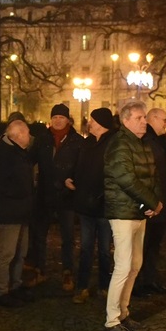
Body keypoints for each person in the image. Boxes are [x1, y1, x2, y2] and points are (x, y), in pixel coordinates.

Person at [102, 101, 162, 331]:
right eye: (139, 117)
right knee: (123, 266)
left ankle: (124, 313)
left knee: (135, 264)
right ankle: (112, 320)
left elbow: (152, 175)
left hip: (138, 212)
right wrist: (152, 202)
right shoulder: (119, 144)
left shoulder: (141, 143)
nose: (144, 121)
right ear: (125, 120)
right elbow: (126, 179)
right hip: (123, 213)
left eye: (144, 117)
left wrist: (154, 201)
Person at [27, 104, 82, 291]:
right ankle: (39, 269)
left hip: (67, 195)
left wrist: (72, 180)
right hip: (45, 193)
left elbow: (80, 166)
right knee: (40, 234)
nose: (58, 120)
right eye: (55, 117)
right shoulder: (43, 139)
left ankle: (67, 272)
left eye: (61, 117)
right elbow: (30, 160)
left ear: (68, 119)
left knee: (67, 236)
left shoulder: (76, 141)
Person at [71, 107, 117, 303]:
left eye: (93, 120)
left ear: (102, 123)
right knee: (86, 248)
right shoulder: (87, 143)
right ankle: (82, 286)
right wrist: (71, 178)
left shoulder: (113, 144)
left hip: (104, 206)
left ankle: (105, 286)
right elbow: (79, 168)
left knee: (105, 250)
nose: (89, 123)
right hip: (86, 206)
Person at [0, 117, 37, 307]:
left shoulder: (18, 152)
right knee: (7, 253)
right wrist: (25, 191)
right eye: (27, 133)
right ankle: (1, 290)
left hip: (21, 210)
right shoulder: (6, 155)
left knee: (20, 252)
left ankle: (15, 285)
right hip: (11, 211)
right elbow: (4, 185)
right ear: (18, 136)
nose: (30, 136)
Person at [135, 108, 166, 296]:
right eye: (165, 120)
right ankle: (139, 283)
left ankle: (150, 279)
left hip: (161, 201)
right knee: (144, 244)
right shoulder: (146, 140)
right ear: (153, 119)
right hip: (151, 204)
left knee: (154, 244)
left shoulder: (159, 140)